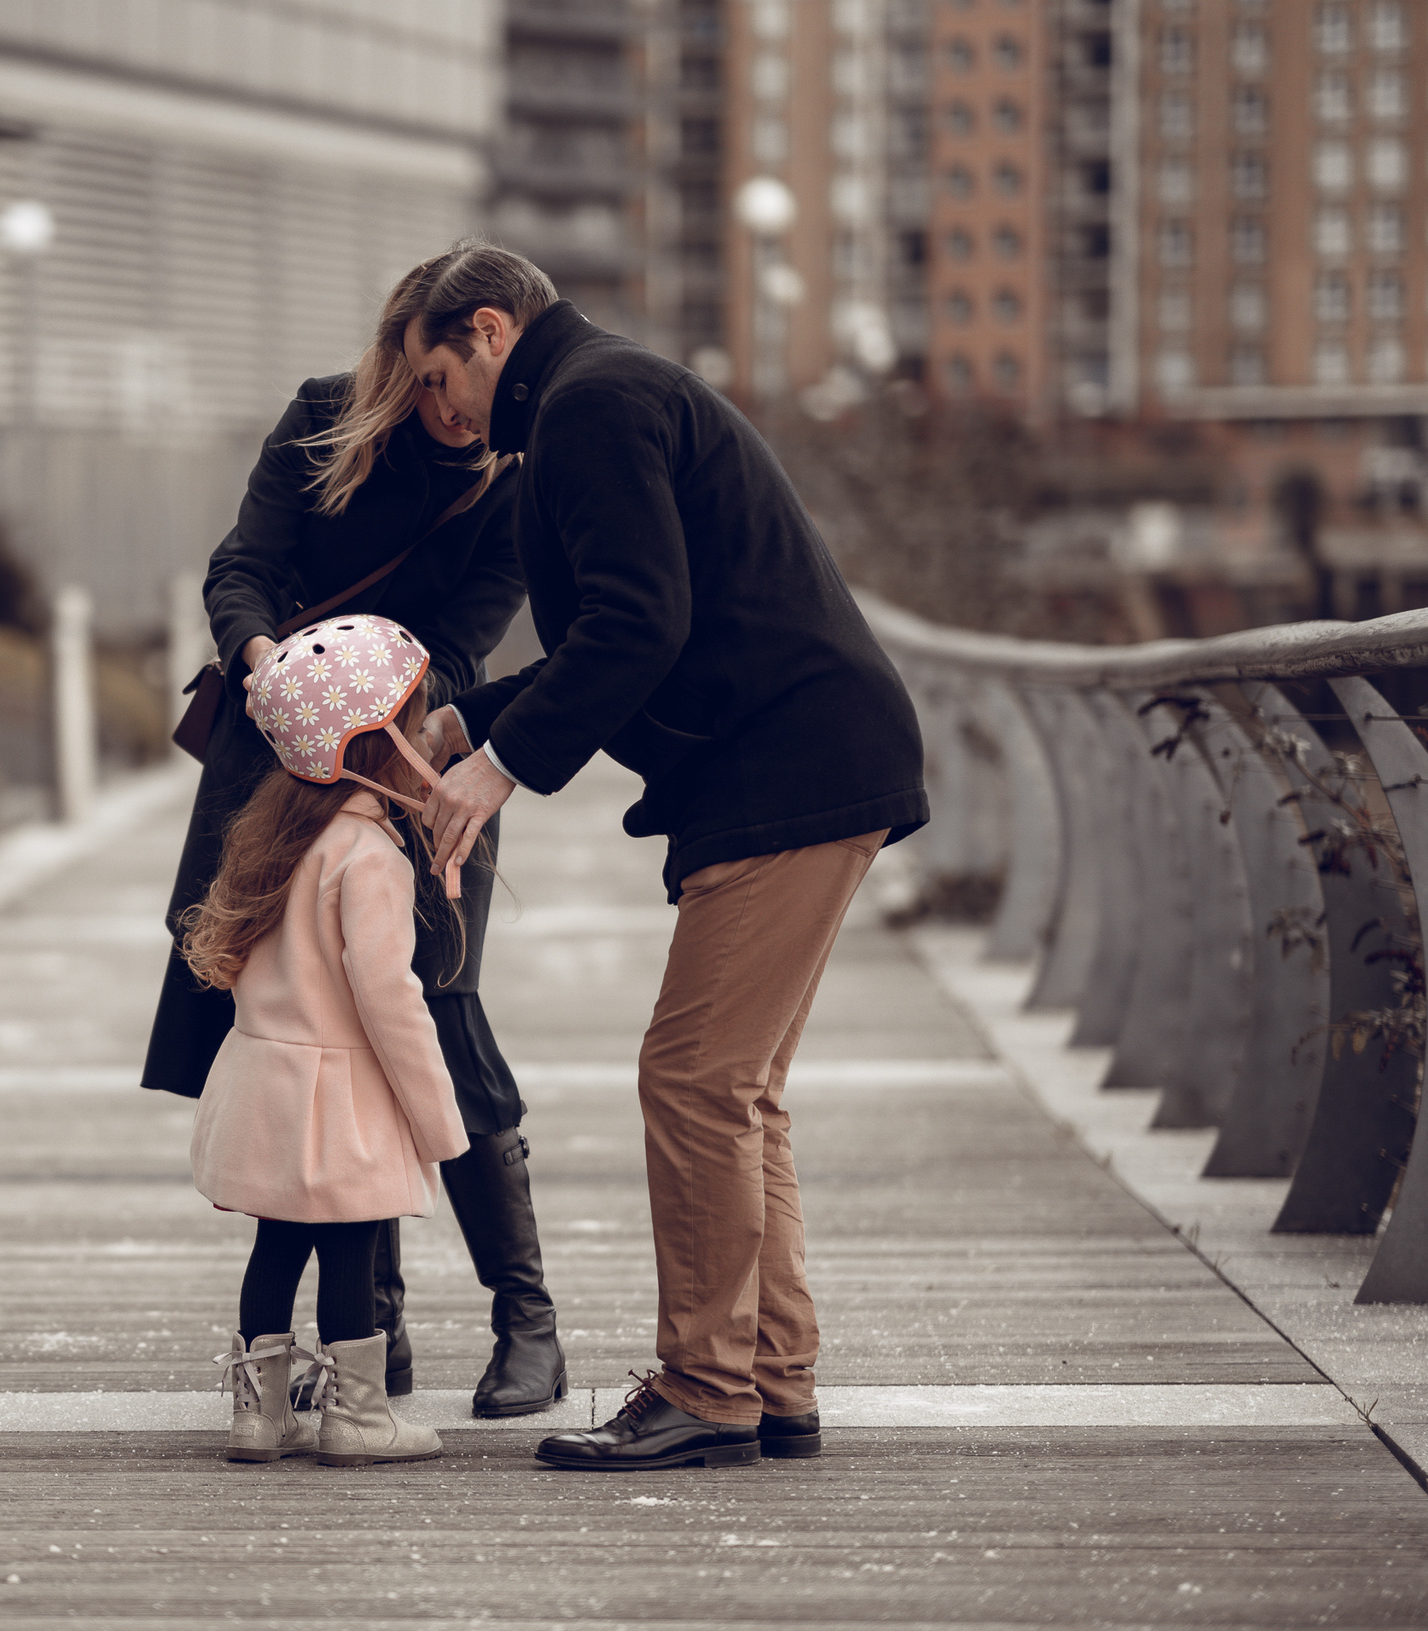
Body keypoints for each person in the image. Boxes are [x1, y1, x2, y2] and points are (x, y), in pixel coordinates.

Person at [403, 242, 929, 1471]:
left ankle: (704, 1387)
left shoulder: (589, 400)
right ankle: (769, 1380)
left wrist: (499, 768)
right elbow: (627, 625)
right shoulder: (605, 395)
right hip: (809, 755)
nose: (440, 416)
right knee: (735, 1091)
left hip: (787, 767)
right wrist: (468, 718)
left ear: (489, 331)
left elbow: (640, 624)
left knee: (692, 1080)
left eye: (437, 382)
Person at [142, 259, 568, 1419]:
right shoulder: (325, 418)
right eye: (424, 382)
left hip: (411, 751)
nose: (448, 407)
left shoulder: (519, 471)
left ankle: (524, 1316)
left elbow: (473, 639)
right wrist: (264, 659)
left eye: (453, 382)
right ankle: (369, 1333)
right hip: (269, 755)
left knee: (437, 1002)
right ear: (399, 362)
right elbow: (242, 569)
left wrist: (377, 702)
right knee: (295, 1012)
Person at [184, 616, 471, 1466]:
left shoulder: (275, 837)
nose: (423, 737)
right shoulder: (369, 853)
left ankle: (256, 1415)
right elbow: (389, 998)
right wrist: (437, 1118)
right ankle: (357, 1416)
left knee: (275, 1246)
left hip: (265, 1086)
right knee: (353, 1248)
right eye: (412, 721)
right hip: (341, 1100)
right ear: (373, 745)